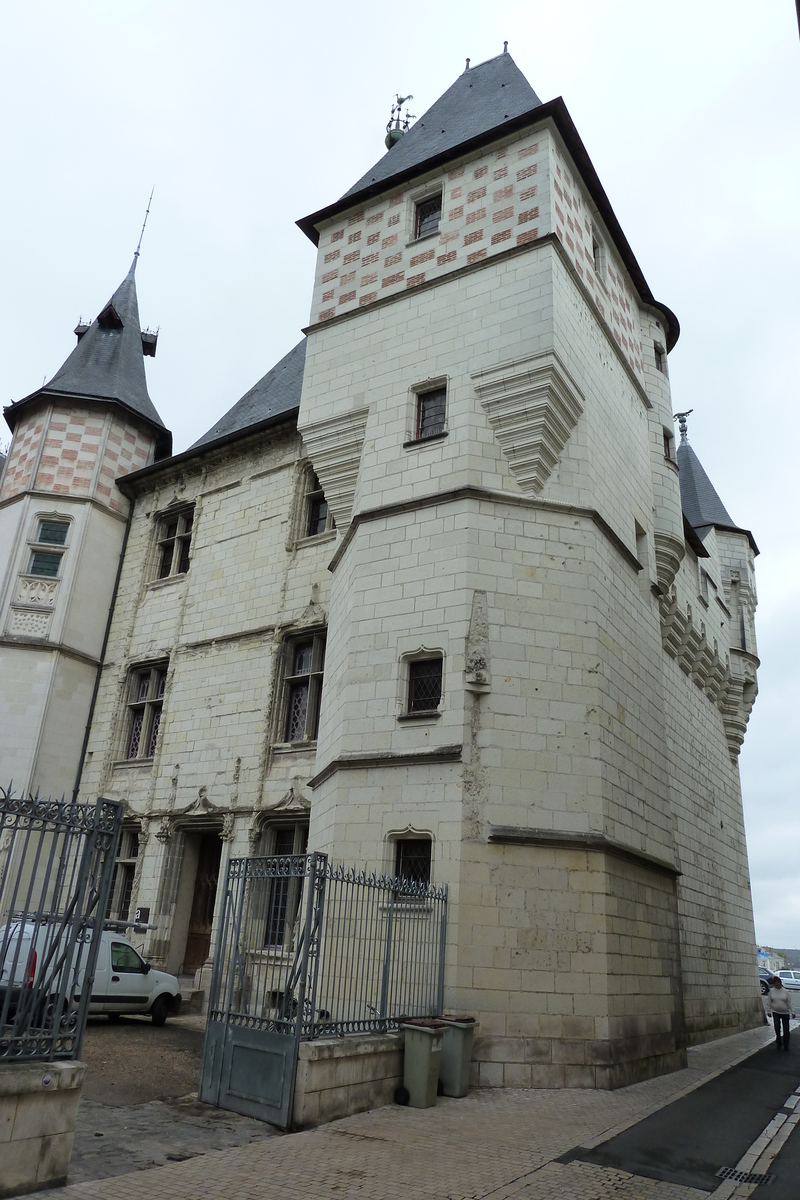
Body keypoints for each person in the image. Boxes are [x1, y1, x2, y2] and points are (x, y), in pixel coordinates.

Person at [766, 976, 794, 1049]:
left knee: (786, 1029)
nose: (777, 984)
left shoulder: (785, 992)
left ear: (780, 983)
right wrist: (768, 1010)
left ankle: (786, 1044)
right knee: (777, 1026)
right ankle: (778, 1041)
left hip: (785, 1013)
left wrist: (793, 1012)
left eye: (778, 982)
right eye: (775, 983)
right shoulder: (772, 991)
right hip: (776, 1012)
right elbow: (769, 1001)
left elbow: (790, 1002)